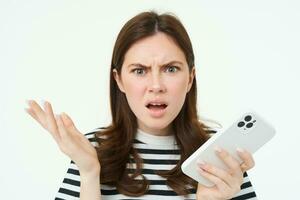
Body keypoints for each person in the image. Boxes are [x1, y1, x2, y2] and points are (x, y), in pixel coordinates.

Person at [25, 11, 257, 200]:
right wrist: (88, 173)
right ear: (119, 80)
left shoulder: (219, 153)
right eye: (139, 71)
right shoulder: (90, 150)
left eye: (171, 69)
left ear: (190, 78)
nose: (156, 85)